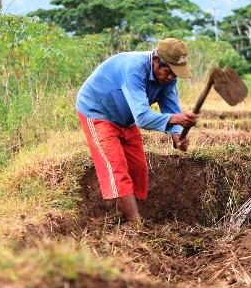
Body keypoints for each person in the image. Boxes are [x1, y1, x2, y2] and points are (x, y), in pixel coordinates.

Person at [76, 38, 199, 224]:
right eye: (169, 72)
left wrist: (176, 135)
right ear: (156, 60)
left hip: (125, 118)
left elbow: (171, 110)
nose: (171, 78)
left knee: (139, 170)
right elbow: (142, 117)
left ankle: (127, 214)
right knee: (117, 169)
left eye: (176, 74)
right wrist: (177, 119)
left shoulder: (168, 79)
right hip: (97, 111)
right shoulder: (134, 68)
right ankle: (136, 226)